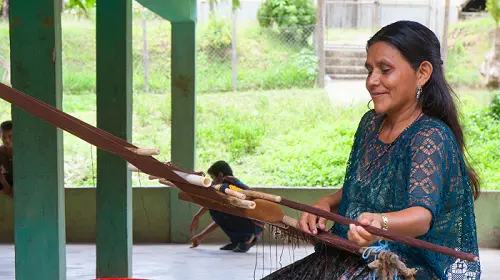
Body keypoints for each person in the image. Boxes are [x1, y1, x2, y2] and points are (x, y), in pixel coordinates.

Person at [263, 21, 481, 279]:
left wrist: (381, 223)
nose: (371, 81)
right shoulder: (370, 125)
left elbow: (421, 216)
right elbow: (366, 186)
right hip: (352, 255)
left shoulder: (430, 136)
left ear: (422, 73)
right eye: (369, 70)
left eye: (385, 70)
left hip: (399, 267)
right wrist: (328, 204)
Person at [189, 161, 264, 253]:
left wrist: (197, 216)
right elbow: (221, 220)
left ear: (220, 175)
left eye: (213, 177)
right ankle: (238, 242)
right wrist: (201, 236)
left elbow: (212, 203)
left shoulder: (227, 183)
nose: (212, 181)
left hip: (254, 222)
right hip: (255, 223)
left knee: (215, 210)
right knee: (218, 211)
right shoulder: (229, 187)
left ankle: (248, 239)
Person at [0, 120, 12, 198]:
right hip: (7, 178)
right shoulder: (0, 150)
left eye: (11, 136)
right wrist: (4, 183)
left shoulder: (22, 152)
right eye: (4, 137)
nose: (7, 140)